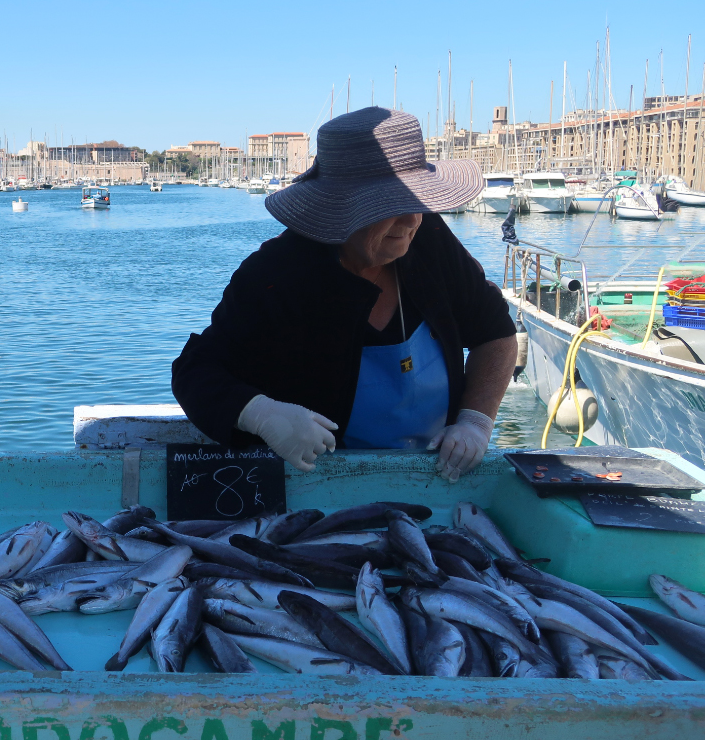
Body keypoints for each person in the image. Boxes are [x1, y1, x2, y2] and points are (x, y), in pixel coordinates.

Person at [172, 108, 516, 481]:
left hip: (437, 476)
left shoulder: (429, 241)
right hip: (321, 485)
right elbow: (195, 372)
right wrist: (260, 413)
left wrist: (475, 421)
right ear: (337, 207)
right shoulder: (276, 274)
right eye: (390, 207)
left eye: (417, 201)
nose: (411, 220)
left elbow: (495, 333)